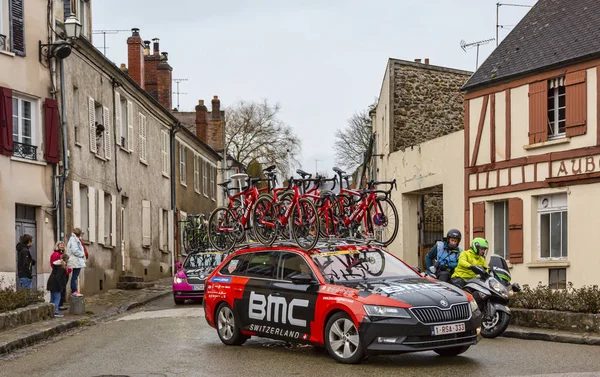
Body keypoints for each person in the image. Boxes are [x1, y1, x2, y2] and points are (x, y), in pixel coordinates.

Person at [50, 241, 71, 310]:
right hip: (60, 274)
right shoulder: (55, 254)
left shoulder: (63, 254)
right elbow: (54, 265)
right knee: (60, 290)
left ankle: (60, 304)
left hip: (64, 273)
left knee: (63, 289)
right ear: (57, 246)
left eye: (63, 245)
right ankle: (58, 306)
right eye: (60, 245)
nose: (62, 246)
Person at [66, 228, 86, 296]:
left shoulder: (74, 239)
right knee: (74, 277)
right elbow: (75, 250)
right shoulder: (74, 239)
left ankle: (75, 290)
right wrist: (82, 254)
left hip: (75, 260)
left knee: (75, 276)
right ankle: (74, 290)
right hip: (75, 260)